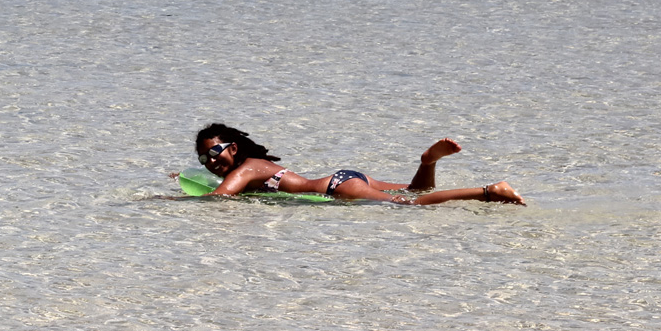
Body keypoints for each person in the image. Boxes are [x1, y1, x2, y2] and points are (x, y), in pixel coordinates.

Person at [191, 122, 525, 205]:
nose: (210, 161)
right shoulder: (255, 163)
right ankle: (427, 161)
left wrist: (166, 202)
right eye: (203, 159)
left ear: (233, 148)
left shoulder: (246, 168)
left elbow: (221, 199)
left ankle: (488, 191)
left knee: (411, 205)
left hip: (339, 187)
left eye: (215, 152)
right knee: (415, 191)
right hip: (344, 177)